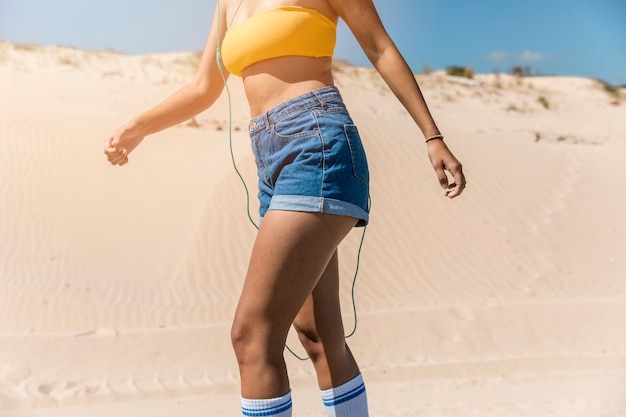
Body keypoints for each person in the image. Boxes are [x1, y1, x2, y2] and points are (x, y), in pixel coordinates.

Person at [104, 0, 466, 416]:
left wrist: (432, 136)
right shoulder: (229, 3)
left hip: (318, 141)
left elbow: (380, 48)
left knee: (251, 336)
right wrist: (139, 126)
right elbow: (204, 87)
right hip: (268, 157)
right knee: (317, 334)